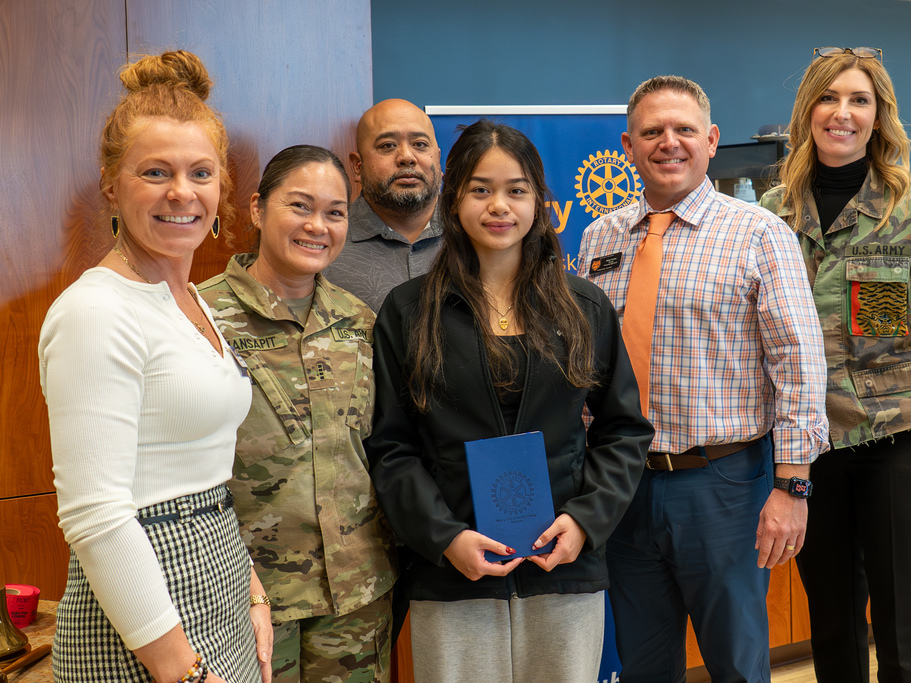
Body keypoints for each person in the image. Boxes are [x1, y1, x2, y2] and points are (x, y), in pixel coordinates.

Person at [365, 119, 654, 683]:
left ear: (539, 202)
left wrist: (584, 521)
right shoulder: (407, 311)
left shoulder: (583, 305)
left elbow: (624, 431)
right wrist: (444, 537)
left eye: (516, 190)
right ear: (454, 199)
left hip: (561, 564)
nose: (499, 206)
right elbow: (390, 446)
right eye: (481, 189)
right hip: (452, 571)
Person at [758, 47, 911, 683]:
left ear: (879, 115)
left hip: (903, 443)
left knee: (906, 635)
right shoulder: (772, 214)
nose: (842, 113)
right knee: (833, 628)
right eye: (828, 97)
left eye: (859, 100)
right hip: (813, 450)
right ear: (806, 109)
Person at [578, 75, 830, 683]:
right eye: (652, 132)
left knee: (737, 665)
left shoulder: (759, 234)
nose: (669, 143)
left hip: (724, 486)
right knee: (641, 664)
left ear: (711, 140)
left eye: (684, 130)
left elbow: (798, 363)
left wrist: (792, 488)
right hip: (621, 485)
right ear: (628, 145)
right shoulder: (599, 238)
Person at [38, 50, 272, 683]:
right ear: (112, 183)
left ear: (223, 187)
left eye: (201, 172)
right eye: (155, 172)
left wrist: (250, 591)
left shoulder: (190, 295)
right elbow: (98, 518)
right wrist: (181, 672)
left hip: (219, 579)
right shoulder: (95, 311)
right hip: (142, 618)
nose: (181, 192)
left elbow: (203, 469)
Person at [199, 144, 397, 683]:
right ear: (258, 210)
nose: (318, 226)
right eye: (300, 207)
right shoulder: (200, 316)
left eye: (335, 212)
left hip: (356, 594)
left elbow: (380, 448)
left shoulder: (357, 321)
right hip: (246, 594)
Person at [322, 99, 443, 313]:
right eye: (388, 146)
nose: (407, 157)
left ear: (438, 159)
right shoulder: (324, 242)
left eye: (420, 145)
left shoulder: (477, 234)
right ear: (358, 167)